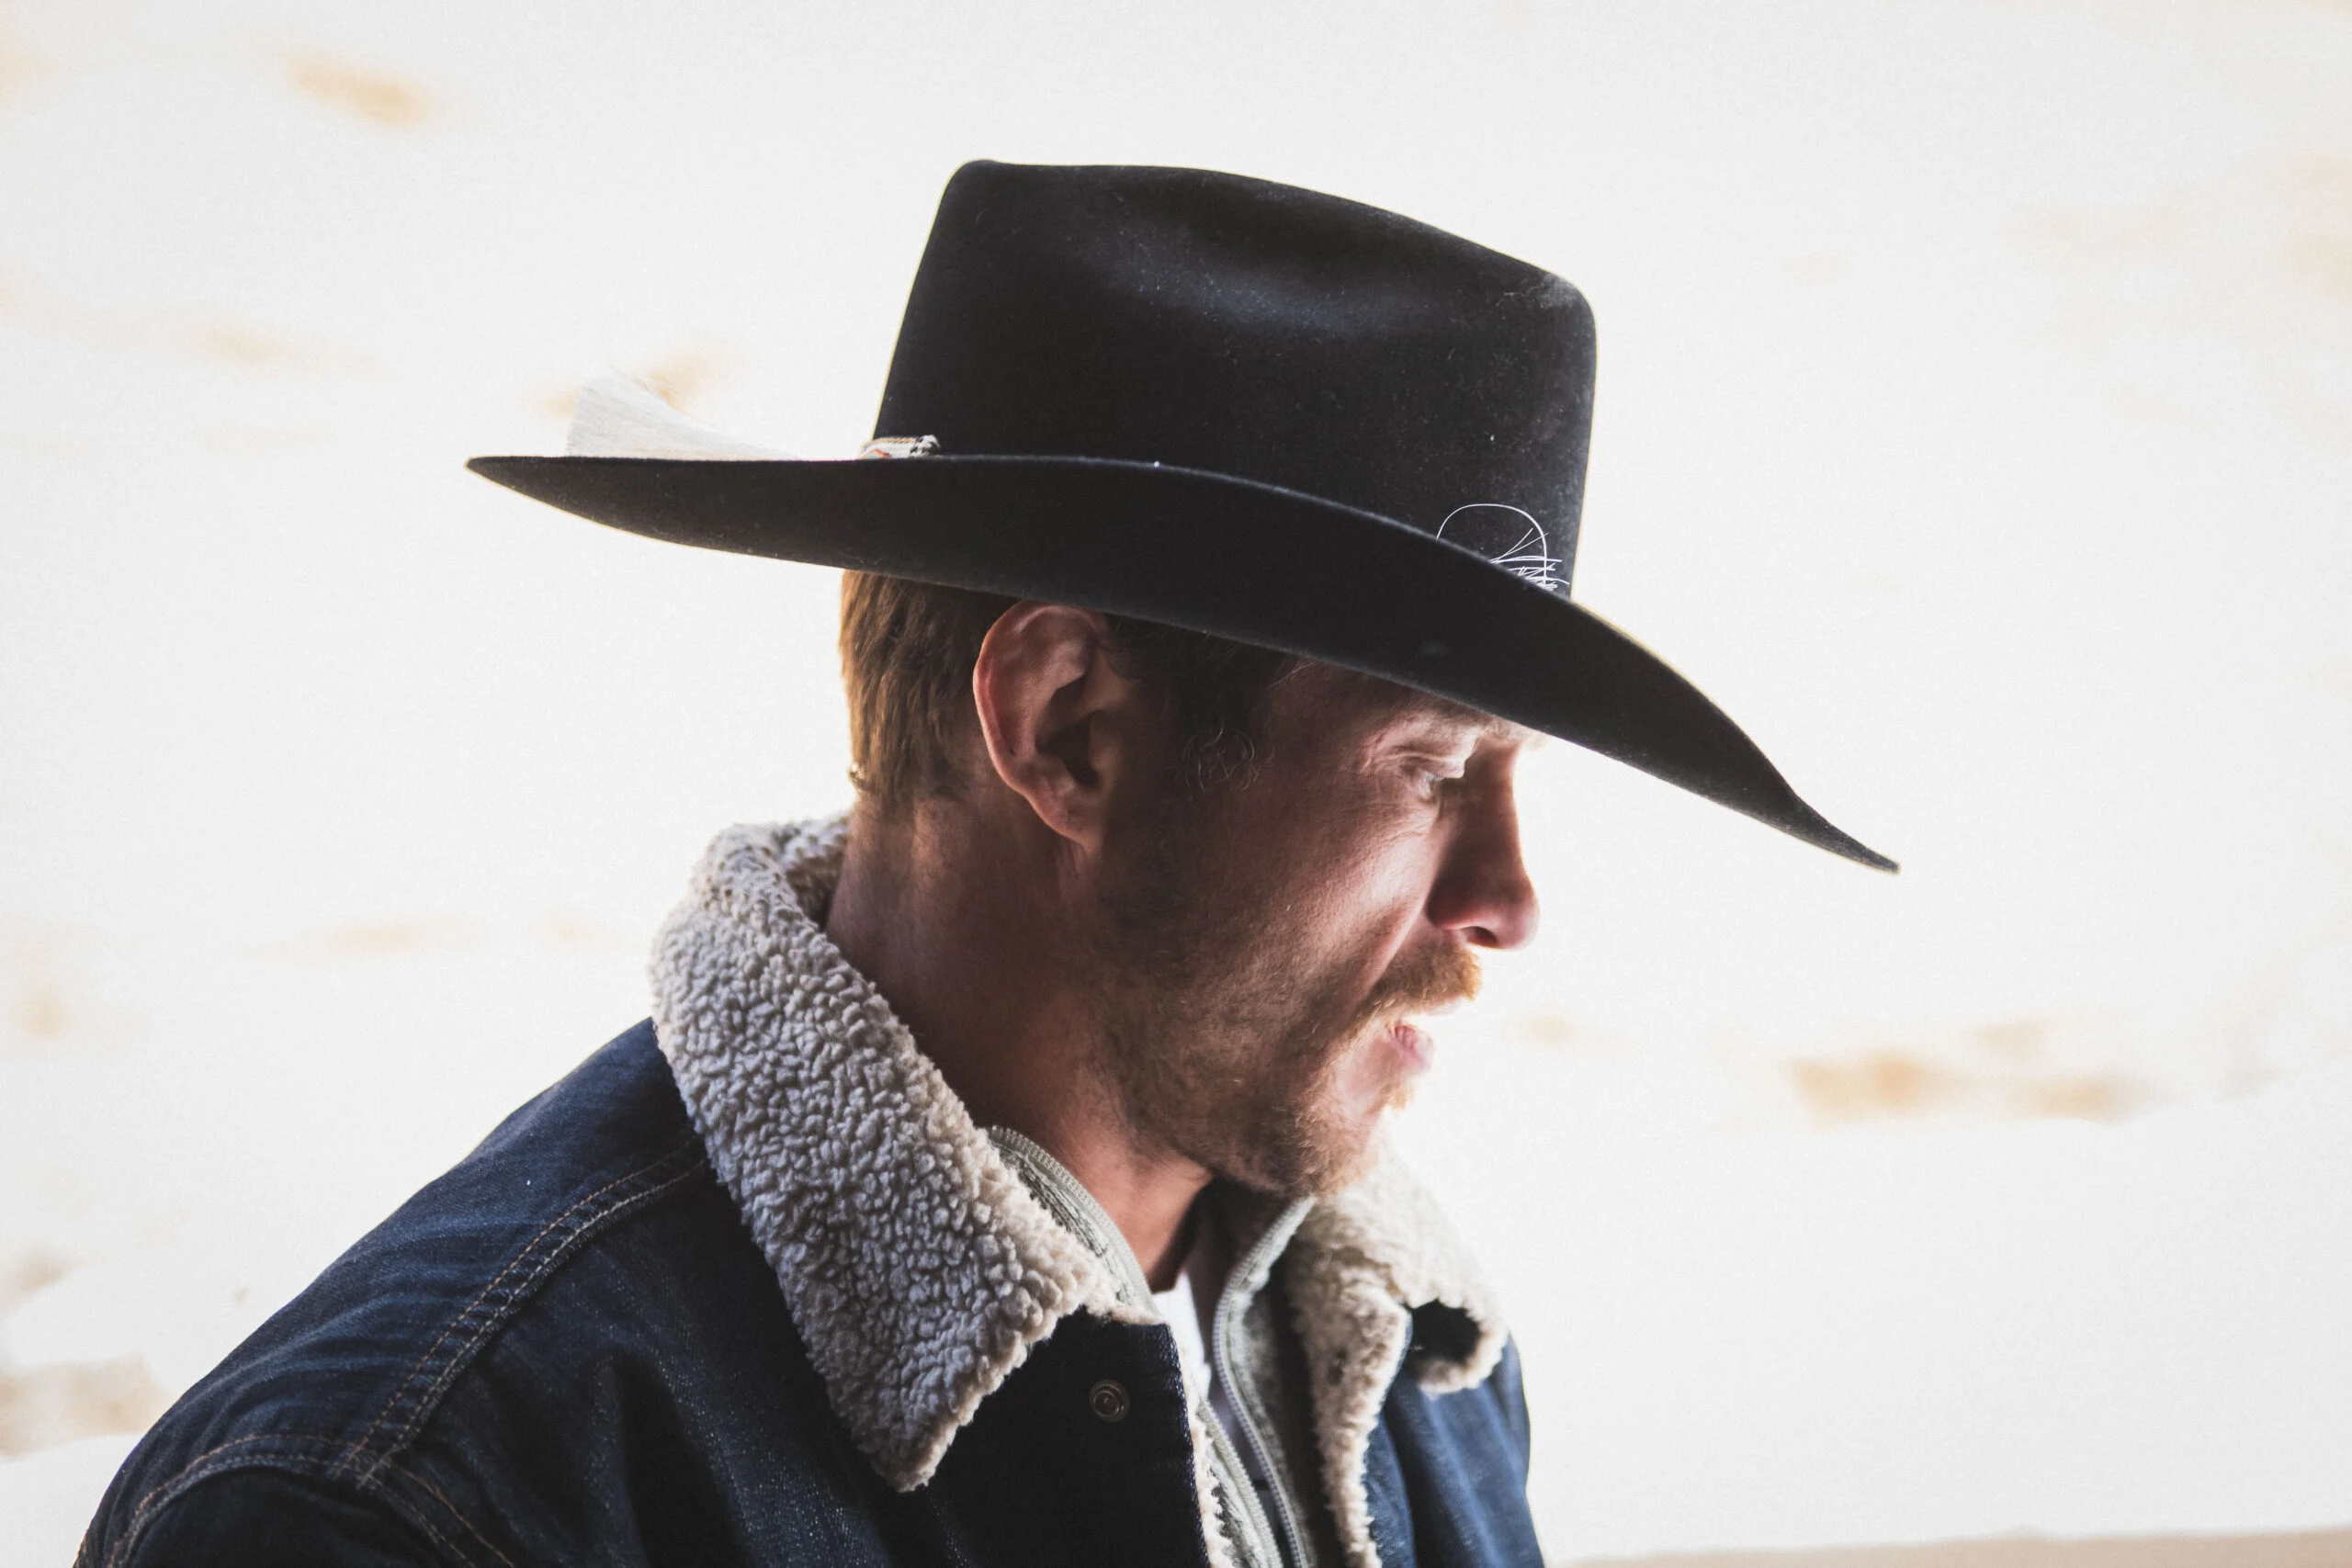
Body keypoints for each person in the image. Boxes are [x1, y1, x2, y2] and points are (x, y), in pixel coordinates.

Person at [78, 161, 1892, 1568]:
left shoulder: (1410, 1360)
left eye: (1509, 775)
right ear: (1068, 724)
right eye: (1430, 768)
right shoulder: (410, 1502)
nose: (1507, 896)